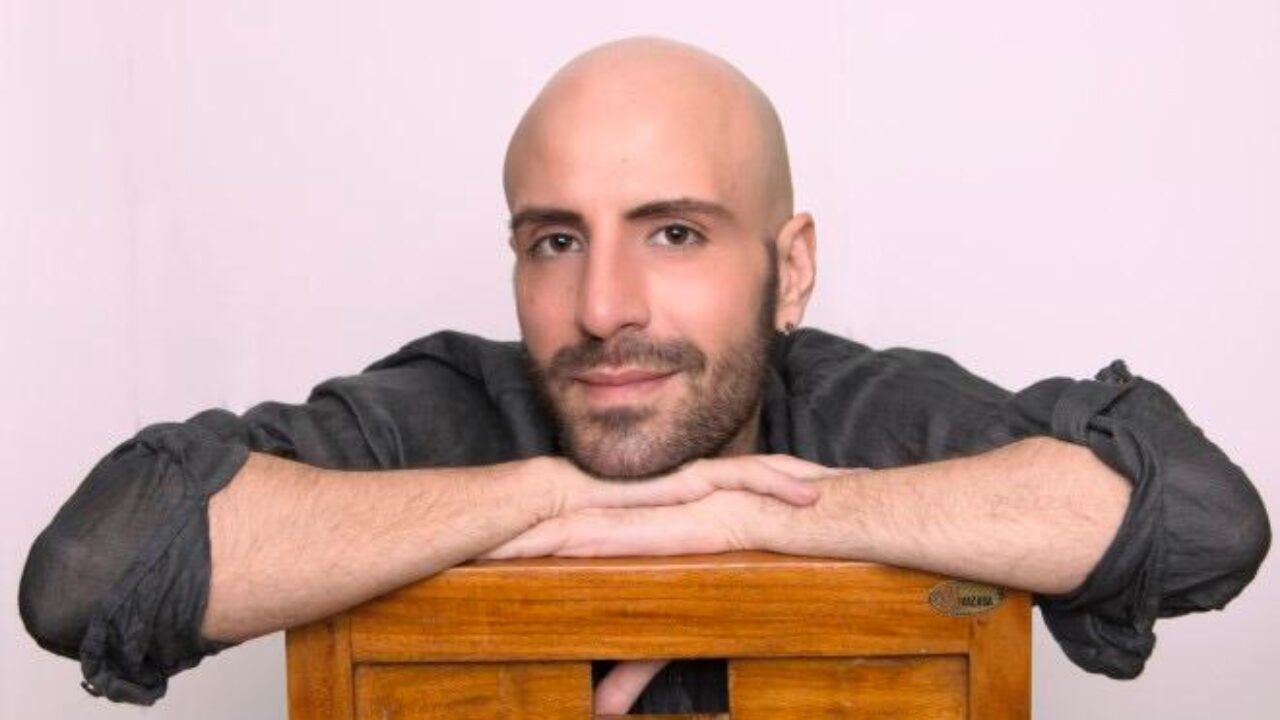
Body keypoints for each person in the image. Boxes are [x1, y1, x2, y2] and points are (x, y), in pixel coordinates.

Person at [19, 37, 1270, 714]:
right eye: (554, 240)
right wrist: (551, 501)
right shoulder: (453, 407)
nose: (603, 309)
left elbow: (1203, 524)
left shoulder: (861, 409)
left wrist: (754, 516)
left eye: (673, 232)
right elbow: (89, 574)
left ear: (788, 269)